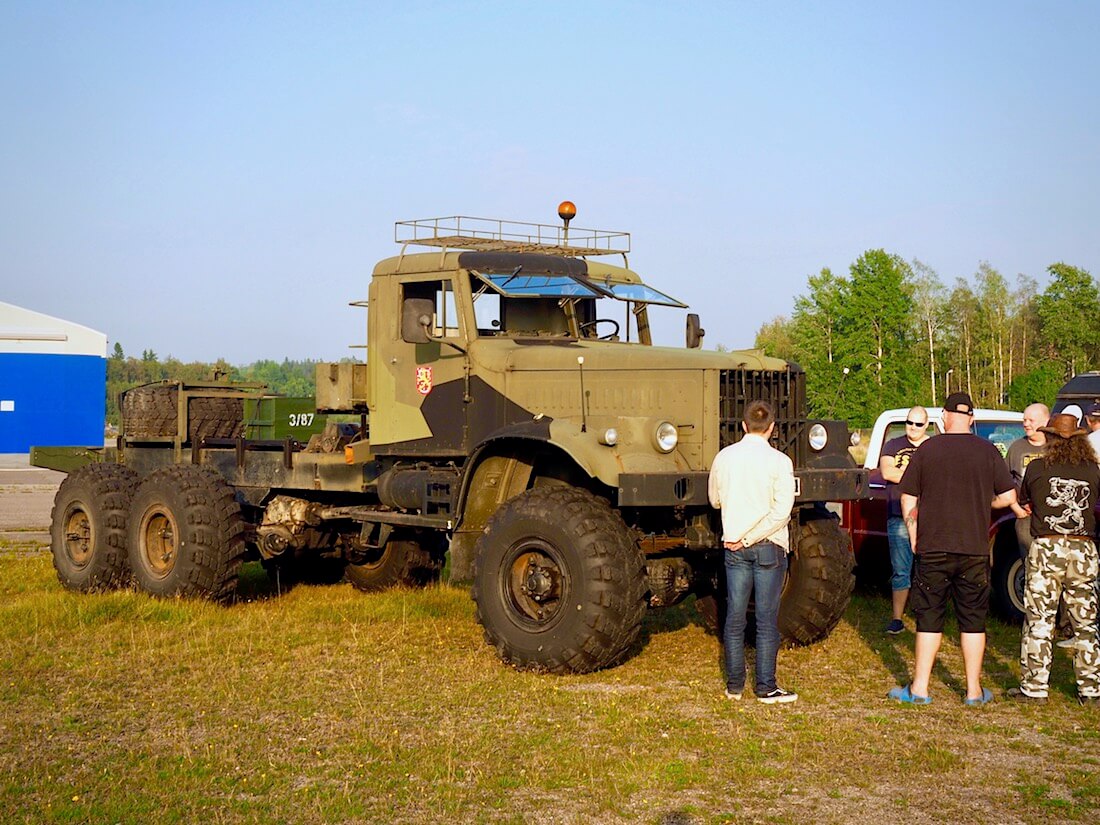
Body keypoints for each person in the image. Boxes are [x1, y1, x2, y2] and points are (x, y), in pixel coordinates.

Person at [889, 392, 1018, 705]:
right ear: (971, 419)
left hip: (933, 545)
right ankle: (974, 691)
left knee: (929, 616)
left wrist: (914, 533)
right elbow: (1008, 495)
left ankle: (919, 689)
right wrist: (983, 502)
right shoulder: (988, 451)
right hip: (973, 548)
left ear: (944, 417)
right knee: (973, 619)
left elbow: (908, 497)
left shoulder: (928, 449)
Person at [708, 399, 798, 704]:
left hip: (733, 546)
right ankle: (765, 686)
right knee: (766, 619)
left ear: (744, 425)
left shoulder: (723, 458)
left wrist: (740, 535)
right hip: (768, 547)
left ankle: (734, 685)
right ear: (771, 428)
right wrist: (752, 537)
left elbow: (714, 500)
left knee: (734, 617)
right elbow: (781, 512)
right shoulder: (780, 462)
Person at [1011, 413, 1100, 704]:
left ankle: (1035, 689)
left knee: (1039, 619)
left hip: (1047, 549)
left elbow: (1025, 501)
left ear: (1049, 439)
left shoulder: (1036, 468)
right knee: (1086, 622)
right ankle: (1090, 690)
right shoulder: (1094, 469)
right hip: (1083, 550)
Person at [879, 406, 931, 634]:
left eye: (918, 424)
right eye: (910, 422)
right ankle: (897, 618)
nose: (913, 427)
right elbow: (887, 472)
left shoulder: (933, 446)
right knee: (901, 569)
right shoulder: (893, 444)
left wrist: (907, 476)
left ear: (926, 425)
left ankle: (927, 616)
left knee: (928, 569)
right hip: (898, 516)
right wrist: (920, 477)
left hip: (930, 516)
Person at [1006, 403, 1050, 561]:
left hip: (1051, 518)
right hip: (1026, 517)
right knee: (1030, 562)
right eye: (1024, 420)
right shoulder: (1016, 447)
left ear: (1045, 422)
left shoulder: (1055, 448)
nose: (1026, 424)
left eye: (1031, 420)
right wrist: (1016, 508)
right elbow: (1005, 482)